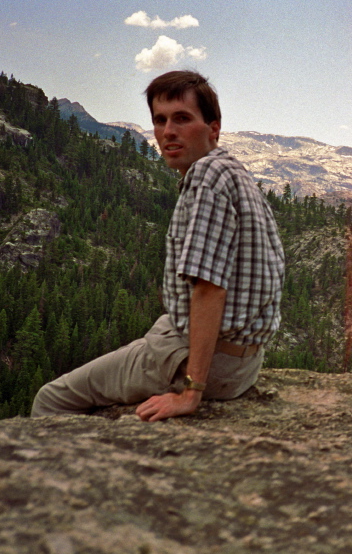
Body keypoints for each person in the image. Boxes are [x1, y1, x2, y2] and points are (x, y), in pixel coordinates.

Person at [31, 70, 285, 422]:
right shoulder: (231, 171)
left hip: (210, 363)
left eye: (182, 119)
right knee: (149, 337)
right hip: (240, 359)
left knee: (51, 399)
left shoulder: (207, 179)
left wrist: (190, 393)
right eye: (160, 120)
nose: (168, 131)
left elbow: (209, 290)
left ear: (214, 128)